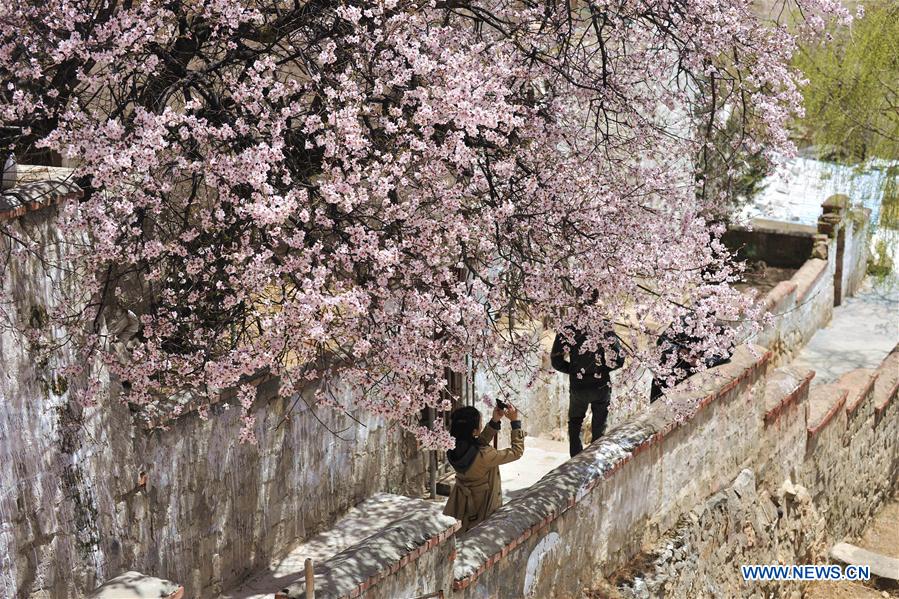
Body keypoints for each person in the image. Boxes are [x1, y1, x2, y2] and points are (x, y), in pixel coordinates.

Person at [443, 403, 524, 533]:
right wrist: (515, 423)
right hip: (484, 506)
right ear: (474, 431)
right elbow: (516, 452)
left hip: (463, 504)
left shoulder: (452, 448)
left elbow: (477, 442)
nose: (481, 425)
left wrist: (494, 421)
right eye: (480, 423)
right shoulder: (484, 455)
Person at [551, 326, 624, 457]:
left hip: (578, 387)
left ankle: (576, 461)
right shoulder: (602, 325)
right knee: (599, 426)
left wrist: (574, 371)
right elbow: (620, 358)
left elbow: (556, 360)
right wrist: (602, 370)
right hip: (601, 386)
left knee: (575, 423)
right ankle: (596, 461)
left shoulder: (567, 328)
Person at [649, 320, 733, 403]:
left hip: (690, 379)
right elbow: (662, 340)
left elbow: (729, 351)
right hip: (667, 373)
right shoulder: (683, 321)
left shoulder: (718, 327)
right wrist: (679, 350)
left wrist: (703, 361)